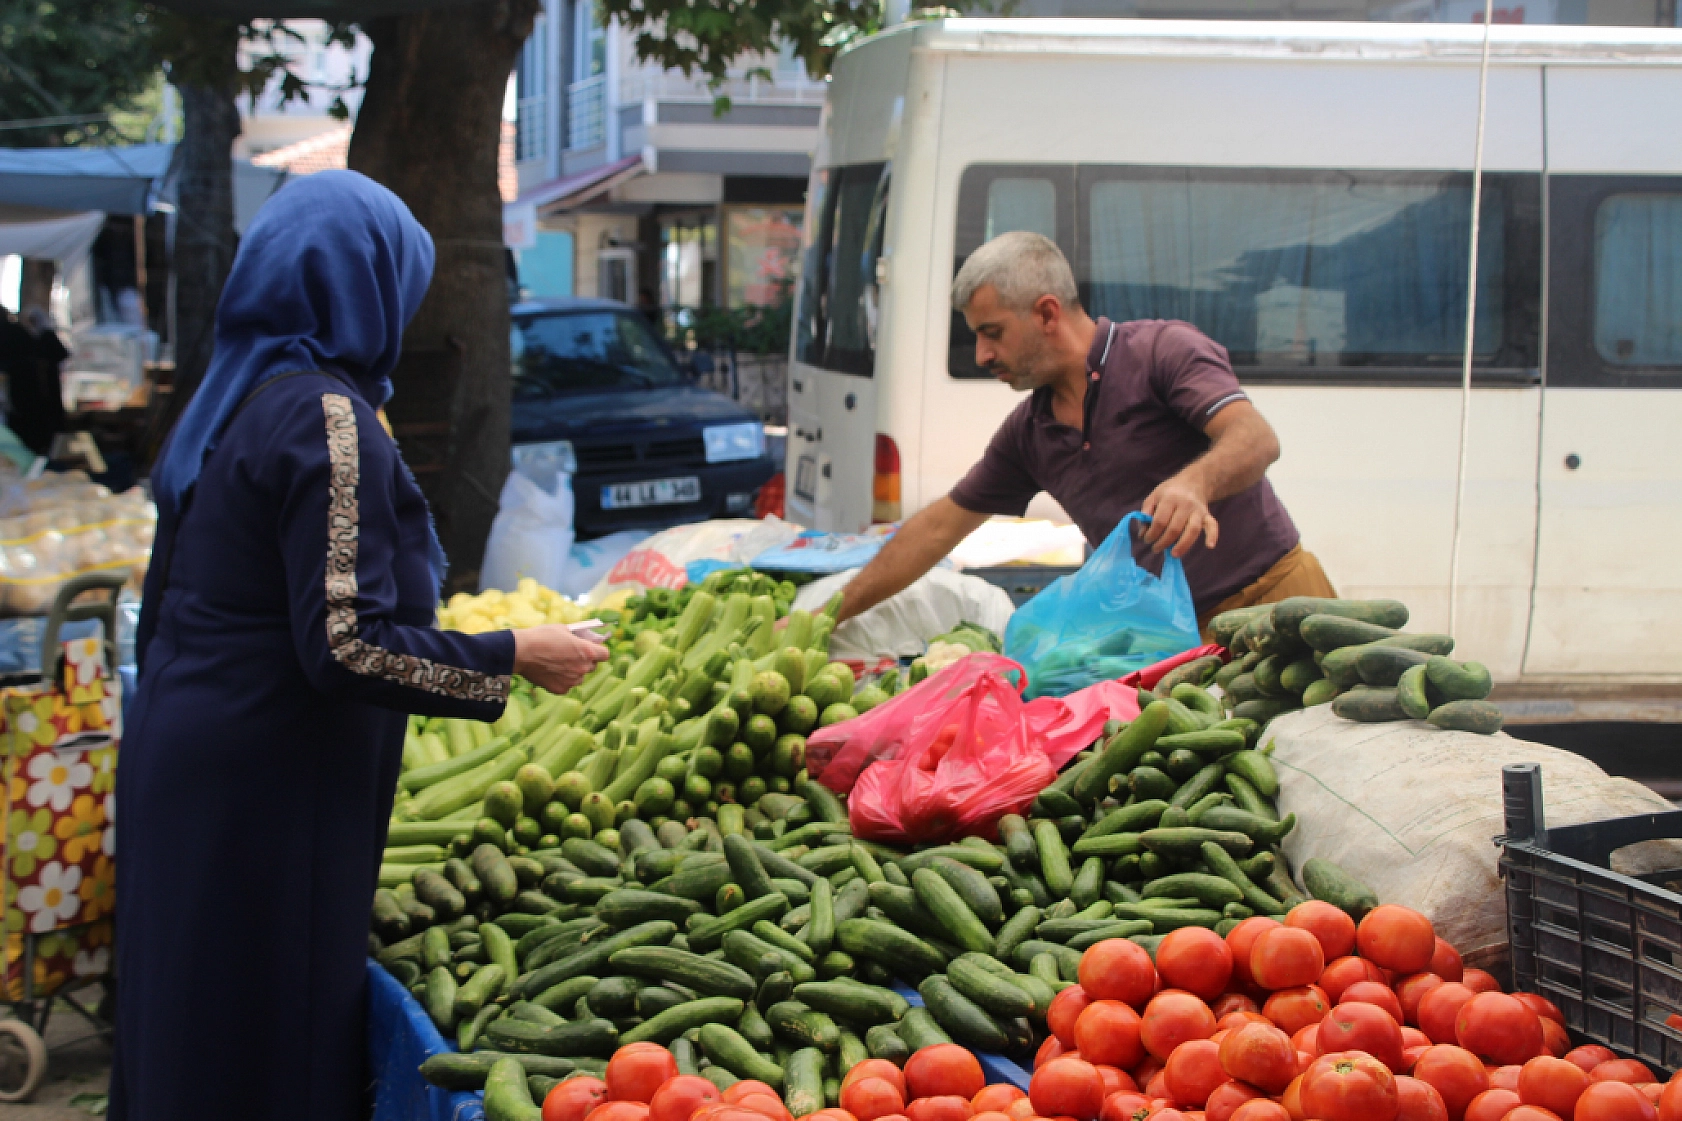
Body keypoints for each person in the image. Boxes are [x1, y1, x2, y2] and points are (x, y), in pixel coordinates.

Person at [110, 172, 611, 1121]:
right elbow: (344, 645)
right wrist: (510, 654)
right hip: (267, 785)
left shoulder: (231, 397)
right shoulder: (324, 415)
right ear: (364, 283)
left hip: (195, 760)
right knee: (265, 1033)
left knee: (191, 1017)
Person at [837, 231, 1335, 631]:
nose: (984, 355)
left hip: (1279, 602)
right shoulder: (1029, 433)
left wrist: (1195, 483)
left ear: (1047, 313)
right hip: (1175, 639)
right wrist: (830, 616)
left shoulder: (1162, 352)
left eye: (992, 333)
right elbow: (938, 527)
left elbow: (1255, 438)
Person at [12, 307, 68, 458]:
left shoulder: (48, 335)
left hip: (49, 385)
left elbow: (62, 354)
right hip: (35, 389)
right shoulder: (28, 337)